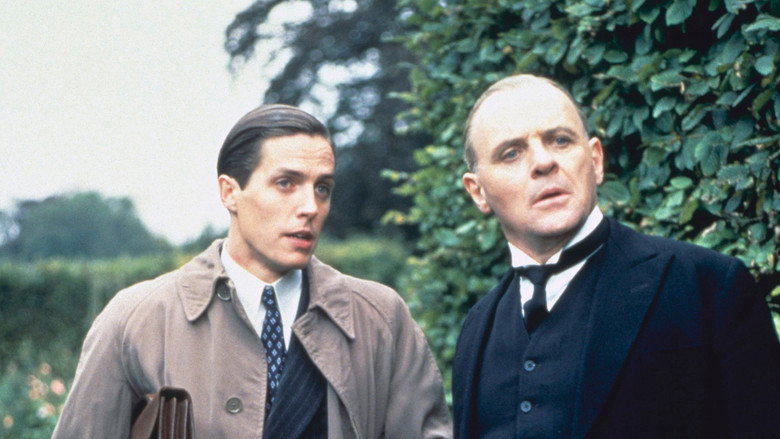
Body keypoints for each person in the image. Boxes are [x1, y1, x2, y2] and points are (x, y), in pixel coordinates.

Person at [53, 104, 452, 439]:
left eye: (322, 188)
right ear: (230, 192)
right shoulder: (137, 320)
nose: (310, 207)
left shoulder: (381, 318)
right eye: (286, 183)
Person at [452, 74, 780, 438]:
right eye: (511, 153)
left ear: (595, 160)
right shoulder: (476, 330)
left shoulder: (708, 285)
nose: (543, 162)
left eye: (560, 140)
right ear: (477, 192)